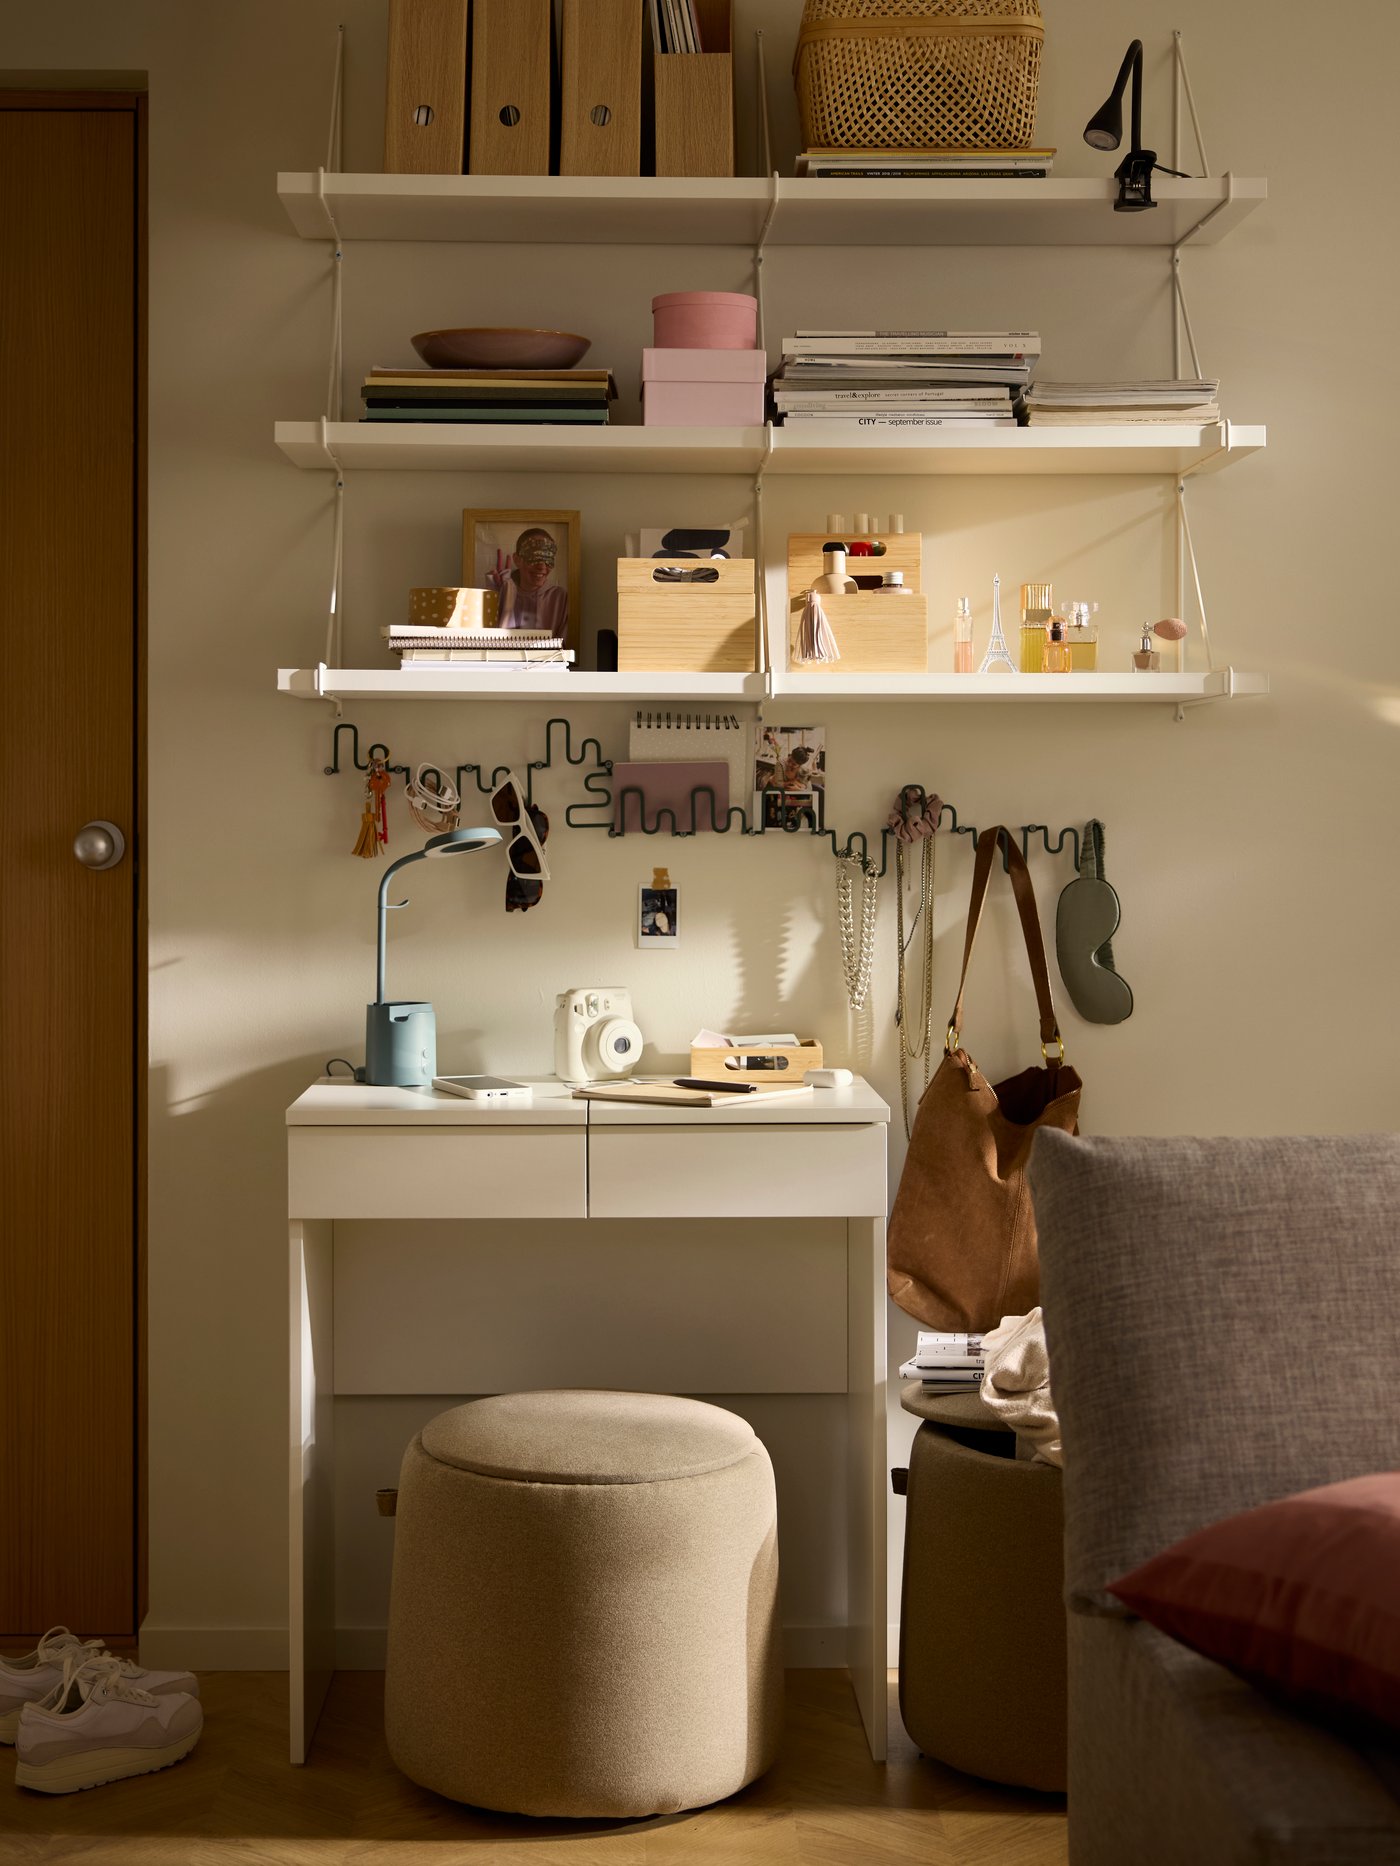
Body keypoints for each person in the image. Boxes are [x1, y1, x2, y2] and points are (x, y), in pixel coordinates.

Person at [494, 527, 569, 638]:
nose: (541, 567)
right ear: (517, 559)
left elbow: (565, 648)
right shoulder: (501, 592)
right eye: (534, 558)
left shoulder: (559, 598)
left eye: (548, 559)